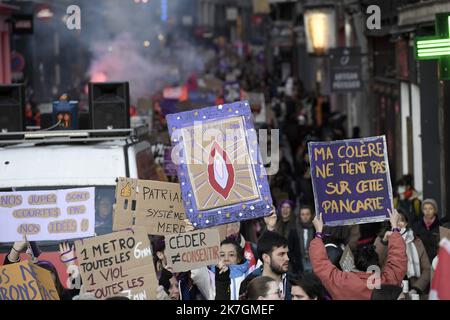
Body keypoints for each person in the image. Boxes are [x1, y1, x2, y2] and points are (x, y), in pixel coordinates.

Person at [310, 210, 407, 300]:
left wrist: (318, 233)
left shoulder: (342, 282)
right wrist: (394, 228)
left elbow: (320, 263)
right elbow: (398, 259)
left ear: (354, 263)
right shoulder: (388, 282)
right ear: (377, 264)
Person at [374, 209, 431, 298]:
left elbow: (427, 269)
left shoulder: (416, 241)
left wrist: (416, 288)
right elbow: (375, 264)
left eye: (401, 220)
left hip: (412, 289)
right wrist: (384, 241)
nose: (398, 223)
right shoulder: (381, 239)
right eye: (396, 220)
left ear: (406, 223)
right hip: (389, 290)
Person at [239, 231, 291, 300]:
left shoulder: (293, 282)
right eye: (281, 254)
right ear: (266, 258)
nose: (287, 258)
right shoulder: (248, 283)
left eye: (287, 254)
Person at [288, 205, 315, 274]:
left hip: (313, 261)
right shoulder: (294, 230)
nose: (305, 217)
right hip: (299, 262)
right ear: (299, 216)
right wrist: (294, 261)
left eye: (307, 214)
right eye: (302, 214)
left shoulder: (315, 229)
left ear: (311, 215)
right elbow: (290, 248)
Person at [413, 198, 441, 262]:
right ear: (422, 210)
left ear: (435, 210)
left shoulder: (440, 226)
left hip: (436, 261)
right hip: (420, 260)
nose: (427, 211)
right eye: (425, 209)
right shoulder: (417, 226)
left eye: (430, 208)